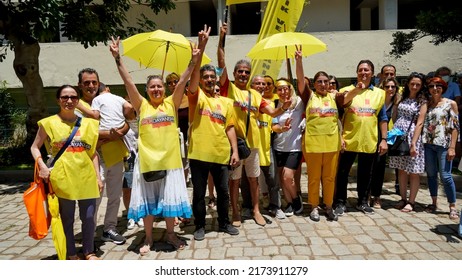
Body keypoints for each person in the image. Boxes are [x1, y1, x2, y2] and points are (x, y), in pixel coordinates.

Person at [109, 35, 197, 254]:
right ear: (146, 90)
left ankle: (170, 234)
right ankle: (147, 238)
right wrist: (118, 59)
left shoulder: (171, 103)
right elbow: (129, 82)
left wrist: (193, 62)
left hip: (170, 162)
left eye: (159, 86)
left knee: (169, 201)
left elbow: (184, 80)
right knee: (148, 202)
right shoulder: (141, 105)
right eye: (152, 87)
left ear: (164, 89)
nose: (156, 89)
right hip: (147, 163)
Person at [218, 22, 291, 227]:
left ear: (249, 75)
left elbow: (272, 112)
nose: (243, 74)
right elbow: (221, 62)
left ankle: (257, 210)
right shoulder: (229, 89)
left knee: (253, 180)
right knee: (234, 181)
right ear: (234, 74)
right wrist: (221, 39)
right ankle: (235, 212)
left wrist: (283, 107)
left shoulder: (255, 95)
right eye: (240, 71)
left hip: (253, 146)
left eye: (246, 72)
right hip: (234, 146)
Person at [30, 85, 102, 260]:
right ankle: (71, 253)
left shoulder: (90, 124)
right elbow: (34, 147)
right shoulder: (48, 123)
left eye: (73, 97)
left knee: (89, 217)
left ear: (78, 101)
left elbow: (92, 153)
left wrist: (98, 177)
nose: (69, 101)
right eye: (64, 97)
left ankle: (88, 251)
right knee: (66, 219)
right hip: (62, 178)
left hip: (86, 177)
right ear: (58, 100)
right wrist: (42, 165)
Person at [187, 25, 240, 241]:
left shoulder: (226, 103)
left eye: (212, 77)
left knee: (223, 193)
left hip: (221, 154)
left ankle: (224, 223)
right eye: (205, 77)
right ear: (200, 80)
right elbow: (190, 83)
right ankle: (200, 225)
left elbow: (230, 127)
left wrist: (235, 151)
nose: (209, 79)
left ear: (216, 80)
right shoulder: (196, 97)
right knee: (199, 194)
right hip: (199, 154)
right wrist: (201, 47)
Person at [334, 59, 388, 216]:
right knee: (342, 173)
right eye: (360, 70)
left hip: (369, 139)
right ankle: (340, 202)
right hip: (348, 139)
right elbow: (341, 107)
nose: (363, 73)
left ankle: (363, 201)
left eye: (366, 70)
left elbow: (382, 118)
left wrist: (384, 139)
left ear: (372, 73)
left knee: (366, 174)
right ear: (357, 73)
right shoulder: (346, 90)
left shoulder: (379, 93)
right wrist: (356, 90)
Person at [81, 81, 131, 245]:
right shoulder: (78, 106)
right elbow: (82, 134)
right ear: (80, 85)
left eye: (94, 82)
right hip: (96, 158)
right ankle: (90, 232)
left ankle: (109, 228)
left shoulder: (108, 101)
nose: (91, 86)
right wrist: (109, 135)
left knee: (115, 195)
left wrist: (120, 131)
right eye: (86, 83)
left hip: (115, 155)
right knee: (95, 197)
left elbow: (126, 121)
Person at [301, 68, 343, 221]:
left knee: (329, 177)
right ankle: (313, 207)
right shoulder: (310, 96)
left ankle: (329, 205)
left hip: (332, 144)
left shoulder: (334, 97)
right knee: (314, 177)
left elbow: (347, 98)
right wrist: (299, 61)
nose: (323, 84)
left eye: (326, 81)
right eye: (319, 81)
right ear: (314, 84)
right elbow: (300, 80)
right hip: (313, 145)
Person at [389, 72, 428, 213]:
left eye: (418, 84)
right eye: (412, 83)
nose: (415, 86)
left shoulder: (422, 101)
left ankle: (411, 201)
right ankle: (403, 198)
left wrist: (413, 142)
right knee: (401, 169)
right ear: (408, 84)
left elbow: (420, 122)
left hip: (412, 136)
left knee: (413, 171)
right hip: (400, 135)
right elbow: (395, 114)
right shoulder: (402, 98)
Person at [422, 77, 460, 220]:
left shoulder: (451, 104)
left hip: (444, 144)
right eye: (432, 86)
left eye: (438, 86)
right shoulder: (428, 104)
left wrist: (452, 147)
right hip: (429, 144)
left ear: (443, 88)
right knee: (431, 174)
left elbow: (455, 127)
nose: (435, 88)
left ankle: (452, 206)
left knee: (446, 175)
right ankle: (433, 202)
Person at [271, 78, 305, 217]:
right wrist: (281, 129)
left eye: (286, 88)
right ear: (276, 91)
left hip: (294, 146)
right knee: (281, 176)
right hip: (279, 146)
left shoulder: (299, 103)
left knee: (287, 177)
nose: (283, 91)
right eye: (280, 89)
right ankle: (289, 203)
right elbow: (273, 125)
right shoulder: (274, 104)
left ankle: (296, 199)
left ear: (291, 89)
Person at [369, 77, 399, 208]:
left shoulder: (397, 103)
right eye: (387, 87)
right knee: (369, 166)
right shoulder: (377, 100)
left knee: (380, 167)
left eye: (393, 87)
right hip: (371, 135)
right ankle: (366, 194)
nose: (390, 89)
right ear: (383, 88)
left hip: (386, 137)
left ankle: (377, 196)